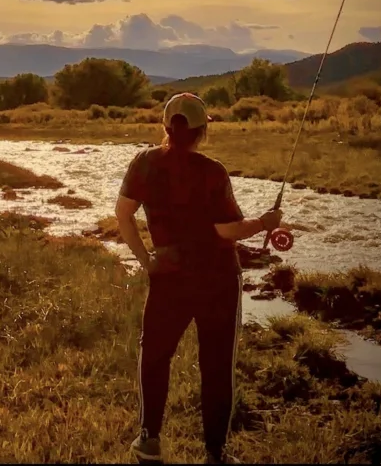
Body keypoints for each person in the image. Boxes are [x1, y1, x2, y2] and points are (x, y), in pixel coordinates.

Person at [115, 92, 283, 466]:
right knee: (216, 365)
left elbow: (123, 214)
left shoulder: (144, 162)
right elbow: (227, 230)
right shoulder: (212, 171)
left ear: (165, 126)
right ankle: (215, 454)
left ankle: (149, 440)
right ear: (202, 130)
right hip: (217, 279)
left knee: (155, 356)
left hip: (168, 276)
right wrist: (265, 223)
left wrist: (146, 260)